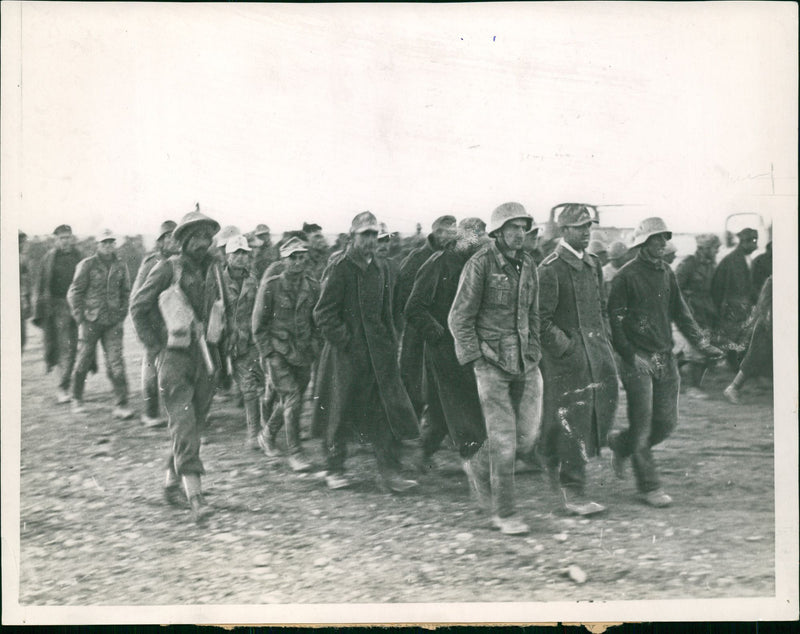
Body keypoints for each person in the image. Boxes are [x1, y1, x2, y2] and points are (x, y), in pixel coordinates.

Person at [607, 217, 722, 508]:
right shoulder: (625, 276)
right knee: (643, 425)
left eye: (664, 238)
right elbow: (615, 325)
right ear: (643, 243)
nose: (662, 243)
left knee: (667, 423)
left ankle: (621, 444)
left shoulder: (667, 273)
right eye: (657, 238)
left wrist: (703, 345)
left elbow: (681, 314)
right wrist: (632, 357)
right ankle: (649, 486)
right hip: (637, 360)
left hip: (665, 358)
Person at [448, 202, 543, 536]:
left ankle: (477, 464)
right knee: (504, 441)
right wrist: (475, 359)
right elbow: (458, 318)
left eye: (523, 227)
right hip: (491, 365)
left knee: (527, 436)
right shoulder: (480, 264)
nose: (519, 233)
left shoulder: (529, 264)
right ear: (498, 232)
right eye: (512, 227)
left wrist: (534, 349)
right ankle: (505, 513)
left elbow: (533, 313)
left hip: (525, 363)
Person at [313, 211, 419, 492]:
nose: (371, 240)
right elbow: (323, 314)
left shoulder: (382, 267)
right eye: (365, 235)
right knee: (339, 410)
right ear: (353, 237)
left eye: (374, 235)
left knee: (386, 410)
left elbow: (391, 309)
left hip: (380, 355)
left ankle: (390, 473)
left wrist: (392, 336)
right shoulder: (341, 267)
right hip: (346, 356)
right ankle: (334, 467)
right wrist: (347, 341)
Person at [130, 205, 220, 523]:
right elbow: (138, 306)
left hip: (205, 358)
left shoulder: (215, 270)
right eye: (195, 236)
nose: (202, 241)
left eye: (207, 236)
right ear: (182, 240)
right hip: (174, 358)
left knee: (191, 427)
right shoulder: (169, 268)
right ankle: (196, 498)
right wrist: (157, 348)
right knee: (184, 425)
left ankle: (171, 484)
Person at [538, 204, 619, 516]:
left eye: (589, 226)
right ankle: (573, 490)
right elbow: (541, 320)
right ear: (564, 231)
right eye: (579, 227)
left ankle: (545, 452)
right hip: (566, 360)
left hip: (596, 354)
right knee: (575, 420)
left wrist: (605, 342)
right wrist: (567, 349)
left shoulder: (593, 264)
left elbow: (600, 307)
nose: (587, 231)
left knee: (602, 411)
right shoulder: (551, 268)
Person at [404, 217, 489, 474]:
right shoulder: (438, 263)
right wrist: (438, 334)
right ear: (463, 238)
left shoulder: (473, 264)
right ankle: (475, 464)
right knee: (464, 404)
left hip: (464, 347)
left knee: (443, 408)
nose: (481, 244)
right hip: (443, 350)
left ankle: (421, 453)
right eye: (477, 239)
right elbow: (413, 308)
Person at [252, 236, 321, 472]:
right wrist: (268, 353)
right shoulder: (271, 286)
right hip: (278, 353)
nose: (299, 262)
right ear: (284, 259)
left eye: (302, 257)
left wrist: (315, 344)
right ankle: (296, 453)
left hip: (303, 354)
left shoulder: (312, 286)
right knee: (292, 397)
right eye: (294, 257)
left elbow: (318, 320)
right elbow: (258, 325)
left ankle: (267, 434)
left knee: (291, 399)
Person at [395, 215, 458, 418]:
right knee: (414, 377)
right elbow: (403, 297)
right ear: (438, 233)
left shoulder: (452, 257)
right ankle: (410, 420)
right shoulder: (416, 258)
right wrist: (424, 321)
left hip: (443, 330)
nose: (454, 236)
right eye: (450, 231)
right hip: (419, 331)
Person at [66, 230, 133, 418]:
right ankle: (76, 398)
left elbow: (126, 292)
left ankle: (122, 403)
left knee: (116, 361)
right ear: (97, 245)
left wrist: (121, 313)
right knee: (84, 359)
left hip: (113, 322)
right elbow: (74, 292)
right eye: (104, 243)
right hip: (90, 321)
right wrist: (80, 317)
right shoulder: (87, 265)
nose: (108, 246)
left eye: (111, 242)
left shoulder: (120, 265)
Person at [212, 234, 265, 450]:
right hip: (228, 342)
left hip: (251, 340)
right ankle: (253, 434)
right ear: (227, 256)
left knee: (257, 386)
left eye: (245, 253)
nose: (242, 258)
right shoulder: (218, 282)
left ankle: (260, 430)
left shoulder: (253, 280)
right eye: (237, 253)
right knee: (247, 386)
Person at [131, 220, 178, 427]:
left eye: (176, 237)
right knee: (151, 366)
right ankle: (150, 413)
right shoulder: (152, 263)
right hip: (152, 324)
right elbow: (137, 300)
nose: (173, 241)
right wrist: (146, 334)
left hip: (171, 325)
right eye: (168, 237)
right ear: (161, 241)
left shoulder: (178, 262)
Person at [31, 224, 83, 404]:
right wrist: (40, 312)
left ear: (72, 238)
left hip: (76, 306)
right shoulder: (49, 258)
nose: (65, 241)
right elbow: (40, 286)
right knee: (64, 347)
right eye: (61, 238)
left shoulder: (79, 256)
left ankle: (67, 385)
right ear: (56, 240)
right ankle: (63, 387)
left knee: (74, 346)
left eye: (68, 237)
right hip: (56, 307)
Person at [675, 233, 721, 398]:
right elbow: (675, 288)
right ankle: (693, 387)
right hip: (691, 312)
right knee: (697, 348)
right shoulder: (689, 264)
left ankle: (667, 373)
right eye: (715, 248)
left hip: (706, 311)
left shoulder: (711, 265)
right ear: (705, 248)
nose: (717, 251)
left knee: (696, 348)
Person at [711, 227, 759, 369]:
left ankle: (738, 364)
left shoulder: (744, 258)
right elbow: (718, 286)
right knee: (735, 336)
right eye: (753, 242)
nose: (755, 245)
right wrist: (719, 306)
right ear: (744, 242)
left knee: (741, 336)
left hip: (743, 306)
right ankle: (734, 365)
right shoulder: (733, 260)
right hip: (734, 307)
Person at [724, 276, 772, 404]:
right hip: (768, 327)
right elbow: (766, 306)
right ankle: (733, 388)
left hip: (784, 323)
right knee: (754, 358)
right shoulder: (773, 280)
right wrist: (770, 324)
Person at [19, 231, 31, 350]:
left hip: (20, 303)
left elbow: (25, 283)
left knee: (21, 339)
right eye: (22, 242)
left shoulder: (22, 260)